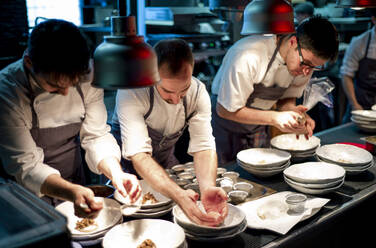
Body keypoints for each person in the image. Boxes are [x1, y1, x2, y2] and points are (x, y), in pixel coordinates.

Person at [0, 19, 141, 217]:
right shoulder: (7, 91)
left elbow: (96, 135)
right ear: (29, 62)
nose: (66, 93)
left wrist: (116, 174)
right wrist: (71, 192)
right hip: (26, 193)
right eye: (55, 86)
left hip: (74, 177)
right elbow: (27, 167)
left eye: (73, 84)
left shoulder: (88, 74)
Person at [112, 39, 228, 226]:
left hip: (165, 166)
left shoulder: (198, 92)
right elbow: (139, 155)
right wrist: (179, 194)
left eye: (183, 90)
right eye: (167, 91)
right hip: (124, 172)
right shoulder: (133, 90)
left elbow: (204, 146)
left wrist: (207, 187)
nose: (175, 100)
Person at [211, 15, 339, 165]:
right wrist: (275, 118)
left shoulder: (304, 65)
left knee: (258, 177)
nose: (307, 72)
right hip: (224, 130)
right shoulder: (249, 55)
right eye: (306, 63)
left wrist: (294, 115)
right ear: (293, 42)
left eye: (314, 67)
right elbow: (225, 110)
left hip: (257, 128)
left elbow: (286, 100)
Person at [340, 9, 376, 122]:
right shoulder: (359, 42)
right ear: (374, 20)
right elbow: (346, 75)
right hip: (360, 103)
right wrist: (354, 104)